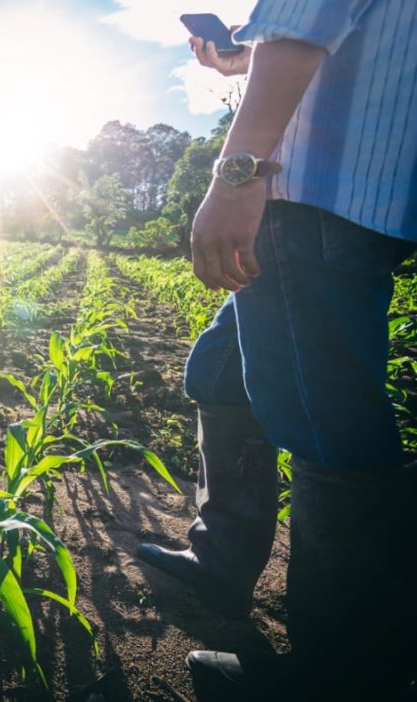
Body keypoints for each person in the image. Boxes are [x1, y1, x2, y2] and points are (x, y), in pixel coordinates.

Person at [135, 1, 417, 699]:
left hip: (312, 196)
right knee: (220, 371)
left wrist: (237, 175)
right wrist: (232, 58)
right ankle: (222, 557)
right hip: (351, 199)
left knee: (330, 427)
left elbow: (297, 32)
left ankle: (342, 675)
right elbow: (313, 48)